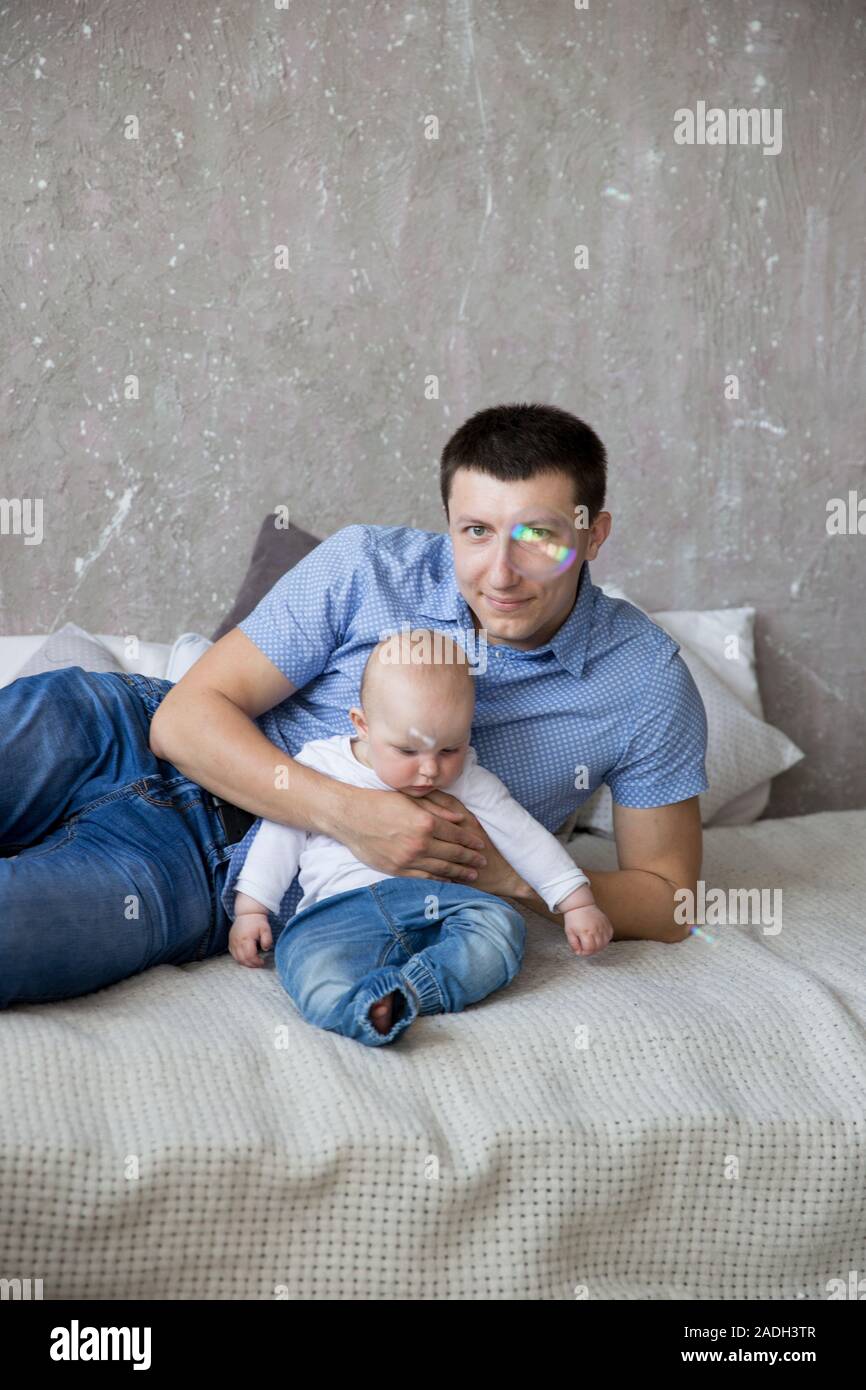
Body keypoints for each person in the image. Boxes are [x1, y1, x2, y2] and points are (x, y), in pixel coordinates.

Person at [0, 402, 707, 1008]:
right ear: (450, 523)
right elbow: (182, 720)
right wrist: (352, 814)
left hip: (204, 872)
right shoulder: (366, 565)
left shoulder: (644, 680)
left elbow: (671, 899)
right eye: (476, 532)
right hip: (112, 729)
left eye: (539, 536)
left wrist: (503, 874)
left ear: (593, 535)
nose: (500, 574)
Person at [229, 632, 612, 1046]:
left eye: (449, 749)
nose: (430, 771)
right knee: (304, 960)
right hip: (337, 914)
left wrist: (575, 901)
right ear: (362, 724)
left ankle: (411, 991)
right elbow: (278, 836)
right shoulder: (321, 765)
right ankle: (362, 1007)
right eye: (408, 751)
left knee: (501, 928)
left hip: (438, 910)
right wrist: (252, 909)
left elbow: (524, 836)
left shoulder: (469, 779)